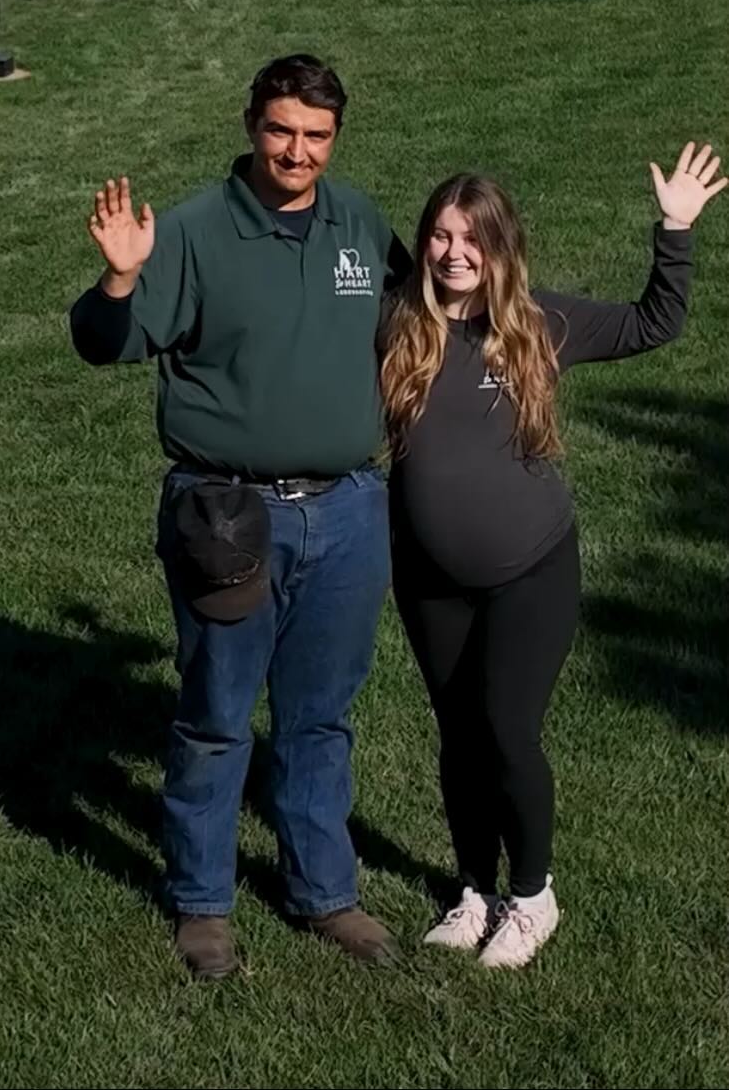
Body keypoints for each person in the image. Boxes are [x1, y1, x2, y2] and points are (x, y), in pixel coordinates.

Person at [69, 53, 410, 980]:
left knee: (320, 717)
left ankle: (324, 893)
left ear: (334, 138)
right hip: (226, 514)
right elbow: (103, 346)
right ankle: (203, 904)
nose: (297, 152)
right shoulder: (190, 232)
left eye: (316, 136)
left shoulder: (360, 224)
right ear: (251, 124)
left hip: (348, 512)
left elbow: (416, 325)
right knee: (217, 716)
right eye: (280, 130)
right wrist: (118, 282)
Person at [381, 142, 725, 969]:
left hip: (530, 568)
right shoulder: (395, 323)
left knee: (505, 728)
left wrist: (673, 230)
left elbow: (655, 321)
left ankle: (532, 897)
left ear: (502, 250)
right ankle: (474, 891)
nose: (455, 253)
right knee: (458, 735)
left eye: (474, 239)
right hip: (428, 578)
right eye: (440, 235)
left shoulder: (537, 325)